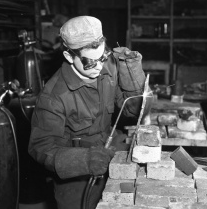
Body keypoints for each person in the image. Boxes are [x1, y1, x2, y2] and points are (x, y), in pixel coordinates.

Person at [28, 15, 147, 209]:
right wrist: (84, 160)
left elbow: (133, 112)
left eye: (102, 57)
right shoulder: (53, 97)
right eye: (90, 62)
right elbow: (41, 148)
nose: (99, 67)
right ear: (69, 56)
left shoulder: (107, 70)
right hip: (77, 177)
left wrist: (132, 77)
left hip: (110, 153)